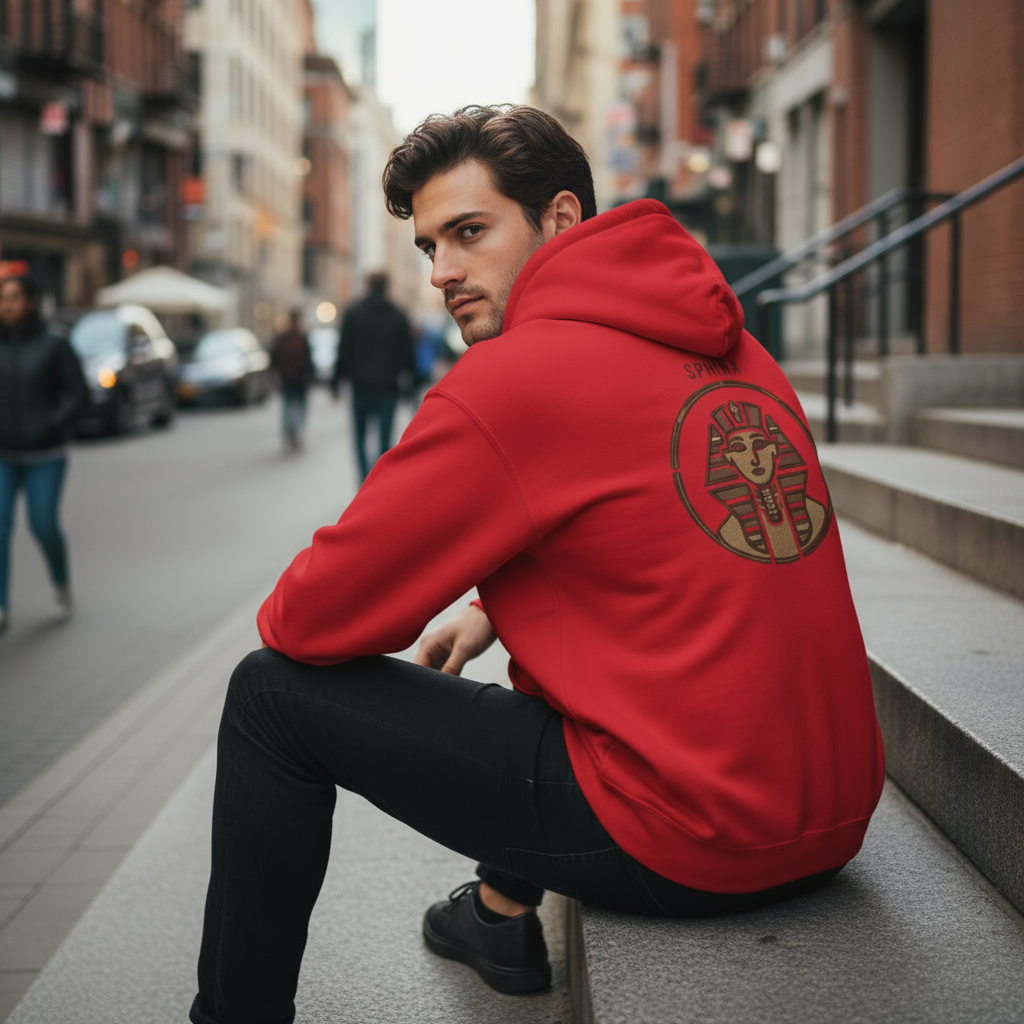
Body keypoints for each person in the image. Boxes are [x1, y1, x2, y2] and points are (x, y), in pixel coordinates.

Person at [190, 106, 884, 1024]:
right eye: (429, 245)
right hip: (829, 816)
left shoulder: (512, 379)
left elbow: (307, 620)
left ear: (559, 220)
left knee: (268, 696)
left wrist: (480, 571)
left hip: (693, 840)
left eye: (470, 234)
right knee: (559, 633)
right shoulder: (739, 349)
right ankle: (500, 910)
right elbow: (662, 531)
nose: (441, 272)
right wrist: (491, 600)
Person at [0, 275, 88, 633]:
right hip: (3, 454)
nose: (7, 305)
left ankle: (61, 586)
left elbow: (78, 394)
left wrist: (53, 424)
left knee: (44, 525)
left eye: (15, 297)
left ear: (32, 302)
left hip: (46, 454)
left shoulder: (55, 344)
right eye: (2, 299)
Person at [331, 271, 415, 480]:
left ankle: (363, 480)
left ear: (368, 286)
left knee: (359, 437)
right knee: (385, 440)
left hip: (360, 386)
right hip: (388, 387)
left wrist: (336, 381)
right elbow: (407, 352)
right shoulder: (398, 314)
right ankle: (380, 482)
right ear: (386, 287)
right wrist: (410, 384)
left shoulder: (353, 313)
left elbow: (344, 350)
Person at [271, 311, 314, 451]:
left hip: (287, 378)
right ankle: (296, 431)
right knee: (300, 406)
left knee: (288, 407)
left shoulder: (282, 338)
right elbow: (308, 360)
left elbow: (274, 358)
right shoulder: (301, 338)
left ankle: (289, 432)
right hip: (300, 379)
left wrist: (276, 374)